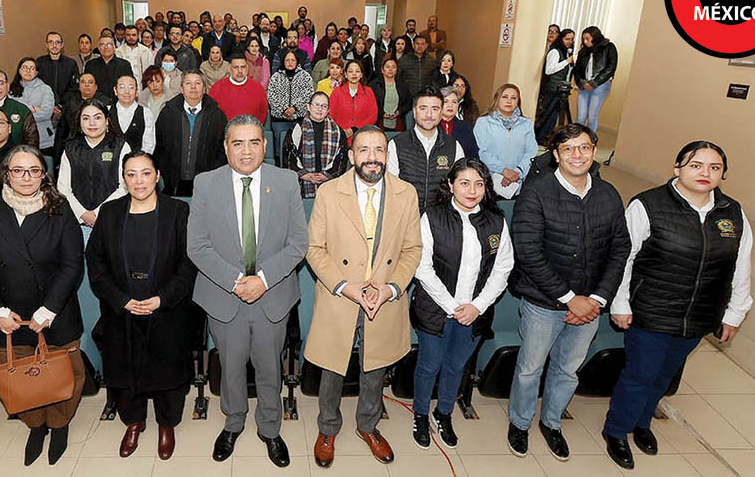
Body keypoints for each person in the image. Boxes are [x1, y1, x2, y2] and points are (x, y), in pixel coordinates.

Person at [601, 141, 753, 470]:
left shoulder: (733, 213)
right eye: (696, 165)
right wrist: (620, 302)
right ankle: (617, 430)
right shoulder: (648, 205)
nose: (705, 173)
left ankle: (642, 423)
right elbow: (624, 258)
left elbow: (741, 267)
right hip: (651, 310)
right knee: (640, 375)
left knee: (664, 376)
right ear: (678, 168)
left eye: (714, 167)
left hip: (699, 314)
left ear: (723, 174)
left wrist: (735, 313)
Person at [187, 115, 308, 468]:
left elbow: (298, 243)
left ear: (265, 145)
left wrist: (263, 280)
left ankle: (270, 428)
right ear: (226, 147)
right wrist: (236, 281)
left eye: (254, 142)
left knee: (270, 367)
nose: (246, 151)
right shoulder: (206, 184)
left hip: (273, 295)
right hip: (225, 295)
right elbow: (197, 246)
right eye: (237, 143)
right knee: (231, 366)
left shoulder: (286, 181)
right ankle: (233, 422)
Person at [506, 123, 630, 461]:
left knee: (567, 369)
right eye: (569, 149)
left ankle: (552, 422)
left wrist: (597, 299)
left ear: (594, 151)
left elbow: (620, 249)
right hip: (543, 303)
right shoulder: (536, 192)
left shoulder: (608, 194)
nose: (578, 155)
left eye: (584, 147)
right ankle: (520, 422)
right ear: (556, 155)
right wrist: (569, 299)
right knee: (530, 368)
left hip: (590, 304)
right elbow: (528, 252)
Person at [304, 125, 422, 468]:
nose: (372, 158)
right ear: (351, 155)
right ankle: (328, 427)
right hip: (340, 295)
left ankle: (368, 425)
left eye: (379, 150)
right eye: (364, 150)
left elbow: (412, 250)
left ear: (387, 155)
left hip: (382, 297)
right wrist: (344, 286)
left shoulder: (406, 193)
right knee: (333, 366)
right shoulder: (329, 192)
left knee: (375, 365)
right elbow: (315, 249)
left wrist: (390, 288)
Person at [0, 145, 85, 466]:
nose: (26, 177)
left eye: (34, 170)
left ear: (44, 175)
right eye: (18, 170)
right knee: (20, 377)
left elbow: (72, 264)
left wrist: (49, 310)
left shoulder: (59, 208)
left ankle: (59, 423)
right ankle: (36, 425)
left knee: (63, 374)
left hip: (54, 311)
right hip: (9, 316)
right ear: (6, 174)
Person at [87, 150, 198, 461]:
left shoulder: (178, 211)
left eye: (146, 173)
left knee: (167, 366)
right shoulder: (110, 212)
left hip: (166, 308)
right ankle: (134, 422)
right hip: (122, 310)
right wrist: (120, 299)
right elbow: (95, 262)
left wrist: (163, 298)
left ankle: (167, 423)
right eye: (131, 174)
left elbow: (189, 263)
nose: (139, 181)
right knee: (124, 366)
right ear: (123, 179)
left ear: (157, 176)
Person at [411, 158, 512, 450]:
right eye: (465, 183)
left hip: (475, 314)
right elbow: (422, 267)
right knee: (429, 366)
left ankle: (443, 413)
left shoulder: (496, 221)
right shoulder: (432, 217)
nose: (472, 191)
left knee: (456, 367)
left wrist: (477, 306)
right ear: (451, 184)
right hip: (436, 310)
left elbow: (503, 268)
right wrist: (451, 306)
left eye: (479, 184)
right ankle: (420, 415)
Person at [58, 101, 131, 237]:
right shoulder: (71, 148)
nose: (92, 123)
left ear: (107, 121)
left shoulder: (121, 146)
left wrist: (98, 213)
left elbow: (125, 186)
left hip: (112, 219)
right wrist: (83, 214)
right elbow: (63, 189)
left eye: (97, 117)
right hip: (77, 221)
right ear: (79, 123)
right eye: (86, 118)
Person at [385, 90, 465, 212]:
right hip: (406, 214)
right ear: (414, 112)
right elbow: (390, 187)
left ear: (441, 112)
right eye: (423, 108)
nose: (429, 115)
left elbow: (459, 187)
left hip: (441, 216)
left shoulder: (454, 146)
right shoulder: (396, 144)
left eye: (435, 109)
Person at [154, 72, 228, 197]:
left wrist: (213, 173)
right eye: (188, 83)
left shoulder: (216, 115)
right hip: (173, 183)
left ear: (204, 89)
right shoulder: (168, 113)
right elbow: (159, 145)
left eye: (197, 83)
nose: (193, 87)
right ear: (181, 89)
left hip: (206, 182)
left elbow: (222, 149)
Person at [474, 84, 537, 200]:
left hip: (518, 183)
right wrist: (503, 170)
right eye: (505, 97)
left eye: (513, 98)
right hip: (489, 181)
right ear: (497, 99)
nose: (509, 101)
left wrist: (517, 172)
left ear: (518, 101)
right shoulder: (484, 122)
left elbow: (531, 152)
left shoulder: (526, 124)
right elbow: (481, 152)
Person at [284, 92, 348, 197]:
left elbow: (341, 157)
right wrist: (302, 173)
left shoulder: (337, 131)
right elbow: (289, 155)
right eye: (316, 105)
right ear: (308, 107)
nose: (320, 109)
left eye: (324, 106)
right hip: (302, 184)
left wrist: (327, 174)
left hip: (329, 183)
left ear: (328, 110)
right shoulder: (296, 129)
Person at [267, 51, 315, 166]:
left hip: (300, 120)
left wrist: (294, 108)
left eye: (292, 60)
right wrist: (284, 110)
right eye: (287, 60)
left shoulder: (305, 76)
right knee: (280, 151)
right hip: (279, 121)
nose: (290, 62)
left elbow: (309, 95)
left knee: (299, 150)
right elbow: (271, 96)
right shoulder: (276, 76)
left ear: (297, 61)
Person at [53, 72, 112, 164]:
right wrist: (57, 157)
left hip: (101, 147)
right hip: (75, 147)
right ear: (79, 86)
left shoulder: (106, 102)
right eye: (83, 82)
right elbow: (62, 130)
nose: (87, 85)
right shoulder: (70, 103)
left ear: (96, 86)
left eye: (90, 82)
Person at [11, 57, 57, 163]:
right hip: (19, 140)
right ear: (19, 70)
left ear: (36, 72)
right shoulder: (11, 90)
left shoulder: (45, 89)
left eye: (32, 68)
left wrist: (21, 115)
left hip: (44, 140)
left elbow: (46, 113)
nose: (28, 71)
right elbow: (11, 114)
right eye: (25, 67)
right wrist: (33, 108)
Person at [572, 26, 618, 133]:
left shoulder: (609, 47)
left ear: (595, 37)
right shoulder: (583, 51)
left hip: (600, 85)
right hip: (584, 85)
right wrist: (581, 82)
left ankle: (590, 138)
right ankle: (577, 137)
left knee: (592, 115)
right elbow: (577, 69)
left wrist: (595, 83)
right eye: (583, 39)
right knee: (581, 116)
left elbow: (610, 68)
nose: (585, 41)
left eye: (587, 38)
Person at [537, 29, 576, 143]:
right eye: (567, 39)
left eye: (572, 39)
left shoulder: (567, 52)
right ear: (561, 39)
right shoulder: (555, 51)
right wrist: (566, 61)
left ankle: (547, 136)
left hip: (562, 88)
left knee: (554, 115)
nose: (569, 42)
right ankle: (541, 137)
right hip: (553, 88)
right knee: (548, 114)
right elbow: (549, 70)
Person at [209, 53, 269, 124]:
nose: (240, 71)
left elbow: (263, 113)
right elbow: (210, 113)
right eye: (236, 67)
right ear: (229, 69)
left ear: (247, 68)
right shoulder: (217, 88)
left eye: (243, 67)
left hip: (251, 129)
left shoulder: (258, 89)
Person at [328, 60, 378, 141]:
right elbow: (331, 115)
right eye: (351, 71)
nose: (354, 74)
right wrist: (341, 131)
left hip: (362, 136)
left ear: (361, 75)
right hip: (341, 137)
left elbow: (373, 116)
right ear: (345, 74)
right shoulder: (337, 92)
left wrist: (355, 129)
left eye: (357, 71)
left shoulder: (368, 91)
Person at [110, 74, 156, 153]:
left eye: (131, 87)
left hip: (137, 159)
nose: (126, 91)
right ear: (115, 90)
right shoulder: (106, 112)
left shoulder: (145, 113)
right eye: (122, 87)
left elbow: (149, 145)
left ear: (137, 92)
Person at [36, 31, 80, 104]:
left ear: (62, 45)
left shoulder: (71, 63)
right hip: (44, 103)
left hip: (66, 104)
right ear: (46, 44)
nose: (54, 45)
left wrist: (61, 103)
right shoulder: (39, 62)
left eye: (57, 42)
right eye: (51, 42)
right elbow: (36, 85)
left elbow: (75, 87)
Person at [368, 57, 410, 132]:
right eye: (387, 67)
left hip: (398, 122)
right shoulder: (374, 85)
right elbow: (370, 104)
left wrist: (399, 111)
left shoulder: (402, 84)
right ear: (382, 70)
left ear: (396, 70)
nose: (390, 69)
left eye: (393, 67)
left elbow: (408, 102)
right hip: (379, 121)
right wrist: (381, 113)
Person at [440, 88, 479, 159]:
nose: (450, 105)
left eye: (454, 102)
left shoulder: (466, 127)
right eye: (446, 101)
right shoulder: (431, 125)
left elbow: (473, 155)